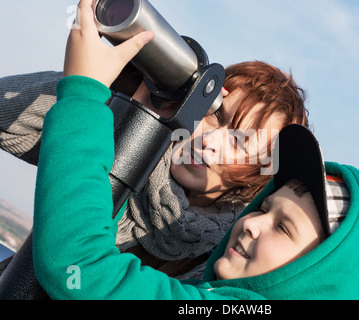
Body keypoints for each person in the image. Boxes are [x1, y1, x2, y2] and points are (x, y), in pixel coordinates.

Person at [0, 2, 308, 279]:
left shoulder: (222, 259)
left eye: (239, 142)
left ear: (257, 176)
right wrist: (119, 93)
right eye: (215, 115)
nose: (211, 141)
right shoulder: (122, 140)